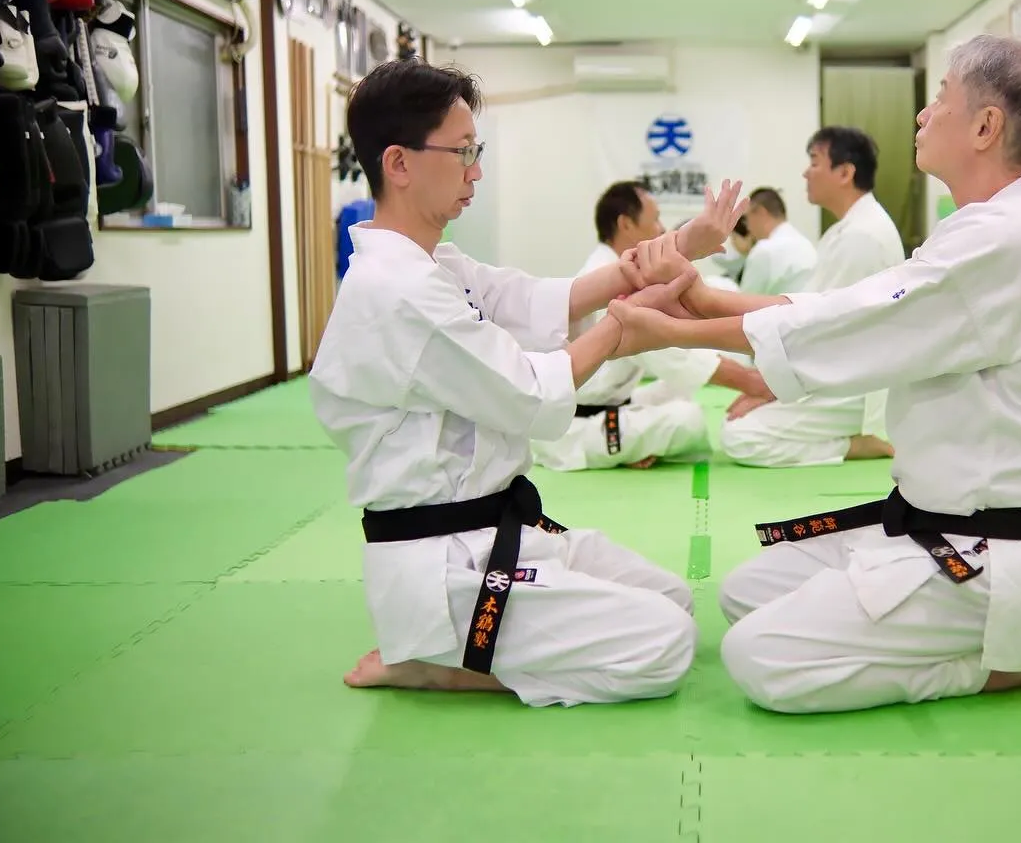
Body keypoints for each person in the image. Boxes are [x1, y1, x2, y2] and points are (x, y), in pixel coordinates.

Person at [604, 34, 1021, 714]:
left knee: (760, 660)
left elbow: (852, 325)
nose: (921, 117)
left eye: (939, 101)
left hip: (991, 554)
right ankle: (979, 639)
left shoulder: (1006, 239)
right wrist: (699, 299)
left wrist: (679, 324)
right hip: (936, 517)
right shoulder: (988, 229)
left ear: (987, 126)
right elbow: (843, 310)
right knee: (742, 593)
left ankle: (1003, 665)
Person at [306, 58, 743, 706]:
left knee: (672, 598)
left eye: (475, 151)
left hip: (500, 528)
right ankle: (435, 659)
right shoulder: (396, 291)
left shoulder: (436, 265)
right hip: (447, 565)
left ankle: (449, 651)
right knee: (665, 645)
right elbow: (530, 394)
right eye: (461, 153)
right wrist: (627, 328)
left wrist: (683, 245)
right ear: (398, 164)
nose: (475, 171)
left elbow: (546, 300)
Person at [530, 180, 767, 472]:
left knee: (679, 391)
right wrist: (753, 382)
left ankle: (632, 441)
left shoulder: (613, 271)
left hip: (611, 401)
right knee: (689, 419)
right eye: (654, 219)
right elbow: (675, 356)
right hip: (576, 429)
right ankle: (618, 447)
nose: (660, 229)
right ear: (626, 224)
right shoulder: (604, 281)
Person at [719, 128, 904, 467]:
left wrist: (775, 387)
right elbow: (808, 318)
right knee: (735, 422)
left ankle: (854, 444)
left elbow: (822, 330)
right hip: (833, 371)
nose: (806, 172)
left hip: (854, 387)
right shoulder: (845, 231)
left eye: (815, 162)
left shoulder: (862, 236)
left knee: (740, 436)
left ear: (845, 173)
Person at [736, 187, 818, 296]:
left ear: (761, 212)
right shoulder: (806, 245)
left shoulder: (765, 249)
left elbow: (743, 302)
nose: (748, 228)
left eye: (746, 218)